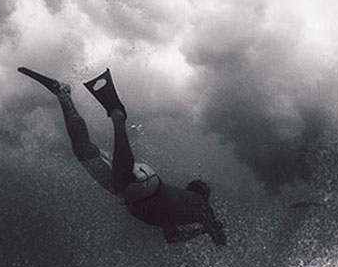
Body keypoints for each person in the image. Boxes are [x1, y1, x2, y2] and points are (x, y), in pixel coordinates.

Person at [18, 66, 227, 246]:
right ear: (201, 194)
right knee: (119, 181)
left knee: (84, 150)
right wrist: (210, 231)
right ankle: (118, 119)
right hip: (140, 188)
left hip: (140, 184)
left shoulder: (175, 211)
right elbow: (214, 238)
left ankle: (63, 94)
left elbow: (173, 237)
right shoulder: (201, 207)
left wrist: (205, 231)